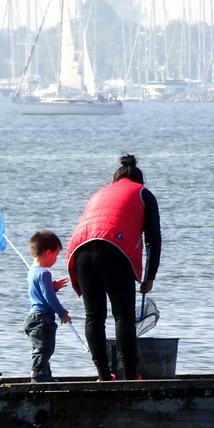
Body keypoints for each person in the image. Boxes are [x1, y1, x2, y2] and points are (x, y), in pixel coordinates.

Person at [67, 155, 162, 380]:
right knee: (123, 316)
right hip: (113, 249)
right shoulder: (142, 193)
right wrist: (150, 276)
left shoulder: (99, 193)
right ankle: (129, 374)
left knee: (94, 317)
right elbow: (153, 239)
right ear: (140, 180)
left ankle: (103, 374)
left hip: (80, 249)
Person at [24, 230, 71, 383]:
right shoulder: (44, 273)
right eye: (56, 255)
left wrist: (53, 286)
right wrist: (62, 313)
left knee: (41, 347)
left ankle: (45, 374)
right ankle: (38, 375)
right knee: (45, 348)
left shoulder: (32, 272)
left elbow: (39, 292)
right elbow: (49, 297)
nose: (56, 259)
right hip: (43, 318)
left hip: (33, 318)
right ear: (48, 253)